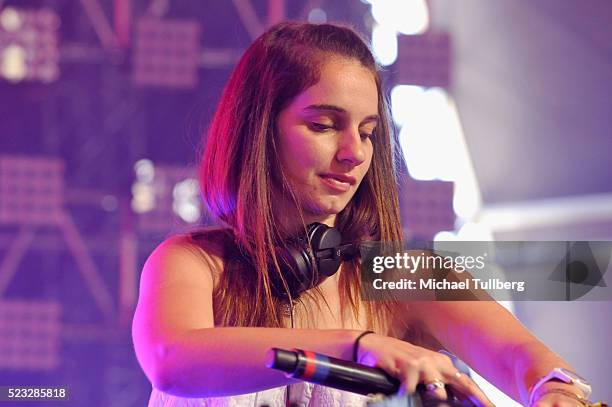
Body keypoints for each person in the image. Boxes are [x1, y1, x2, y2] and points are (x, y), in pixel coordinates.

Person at [132, 22, 595, 407]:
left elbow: (529, 362)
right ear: (260, 131)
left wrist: (557, 392)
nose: (354, 153)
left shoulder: (406, 278)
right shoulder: (191, 263)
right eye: (324, 125)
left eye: (369, 132)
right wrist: (359, 347)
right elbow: (172, 361)